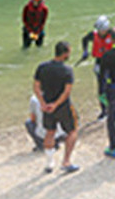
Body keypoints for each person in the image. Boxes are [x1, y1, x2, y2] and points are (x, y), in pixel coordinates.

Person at [33, 41, 80, 173]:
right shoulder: (67, 70)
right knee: (72, 131)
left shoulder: (42, 67)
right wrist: (56, 104)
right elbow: (66, 92)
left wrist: (43, 103)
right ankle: (66, 161)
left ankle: (49, 163)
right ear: (65, 53)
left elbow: (36, 87)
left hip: (47, 105)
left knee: (50, 132)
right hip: (62, 107)